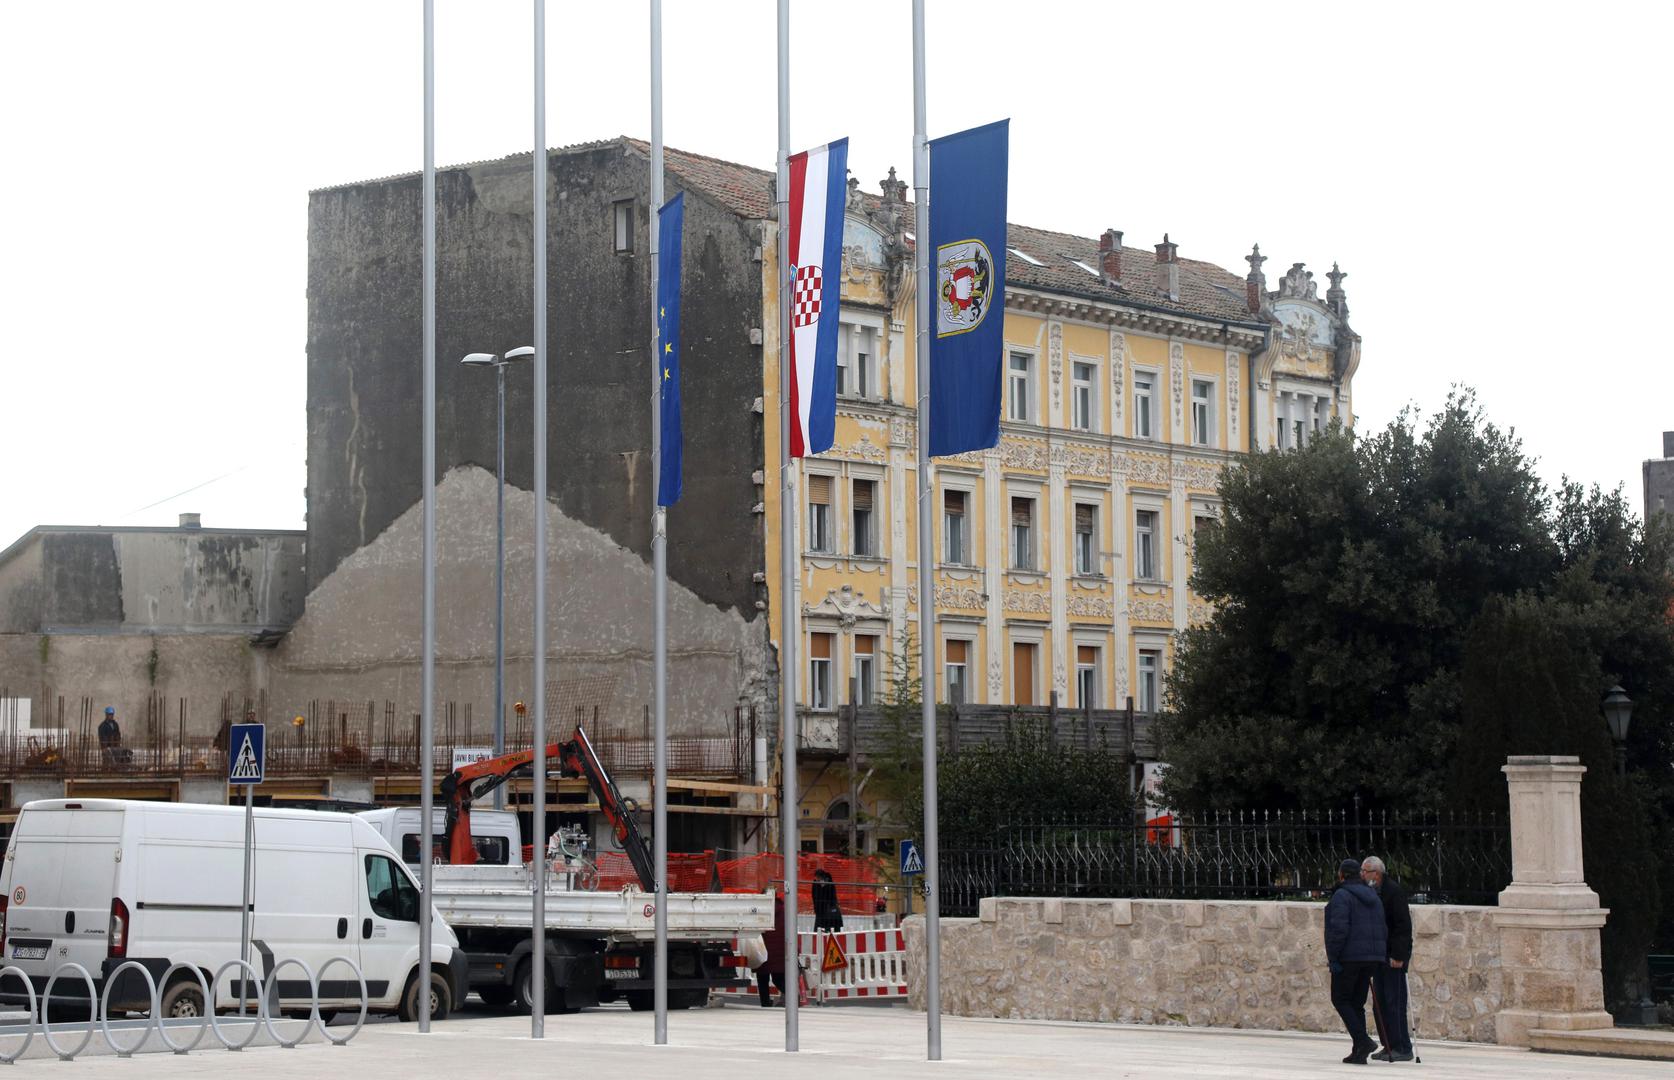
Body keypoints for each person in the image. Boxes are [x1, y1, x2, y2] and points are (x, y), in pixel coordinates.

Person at [1324, 857, 1387, 1065]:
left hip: (1350, 957)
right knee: (1356, 1003)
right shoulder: (1373, 895)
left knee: (1340, 998)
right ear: (1359, 874)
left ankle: (1363, 1041)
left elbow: (1338, 930)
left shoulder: (1342, 896)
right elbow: (1382, 927)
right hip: (1372, 957)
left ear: (1341, 875)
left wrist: (1333, 957)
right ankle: (1358, 1051)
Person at [1362, 855, 1415, 1063]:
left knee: (1395, 1001)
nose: (1362, 875)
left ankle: (1402, 1046)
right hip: (1379, 955)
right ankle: (1389, 1045)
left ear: (1376, 873)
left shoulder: (1394, 892)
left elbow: (1403, 927)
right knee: (1380, 1003)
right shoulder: (1373, 891)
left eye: (1365, 872)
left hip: (1393, 956)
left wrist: (1399, 956)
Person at [754, 891, 789, 1006]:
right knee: (778, 978)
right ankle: (792, 996)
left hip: (763, 949)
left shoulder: (761, 910)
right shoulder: (784, 910)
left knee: (762, 978)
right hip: (780, 951)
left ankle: (765, 1003)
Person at [812, 868, 844, 932]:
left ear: (820, 877)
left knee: (829, 929)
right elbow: (814, 896)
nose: (816, 879)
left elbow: (831, 896)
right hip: (821, 910)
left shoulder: (829, 883)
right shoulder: (815, 884)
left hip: (829, 910)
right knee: (820, 929)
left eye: (817, 878)